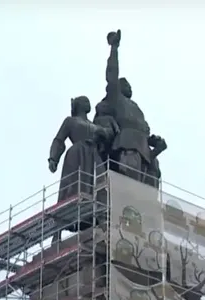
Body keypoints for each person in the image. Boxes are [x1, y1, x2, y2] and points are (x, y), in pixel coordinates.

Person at [95, 29, 167, 183]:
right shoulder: (117, 99)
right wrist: (114, 48)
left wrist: (155, 142)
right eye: (125, 84)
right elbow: (112, 75)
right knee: (130, 188)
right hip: (128, 147)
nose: (130, 87)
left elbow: (146, 130)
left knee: (148, 193)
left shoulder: (136, 108)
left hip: (146, 153)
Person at [48, 96, 116, 240]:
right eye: (85, 101)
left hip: (94, 156)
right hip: (77, 154)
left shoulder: (94, 124)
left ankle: (102, 221)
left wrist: (108, 128)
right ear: (78, 105)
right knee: (71, 188)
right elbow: (59, 139)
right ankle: (57, 233)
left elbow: (109, 134)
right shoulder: (70, 121)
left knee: (101, 185)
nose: (88, 103)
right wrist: (54, 158)